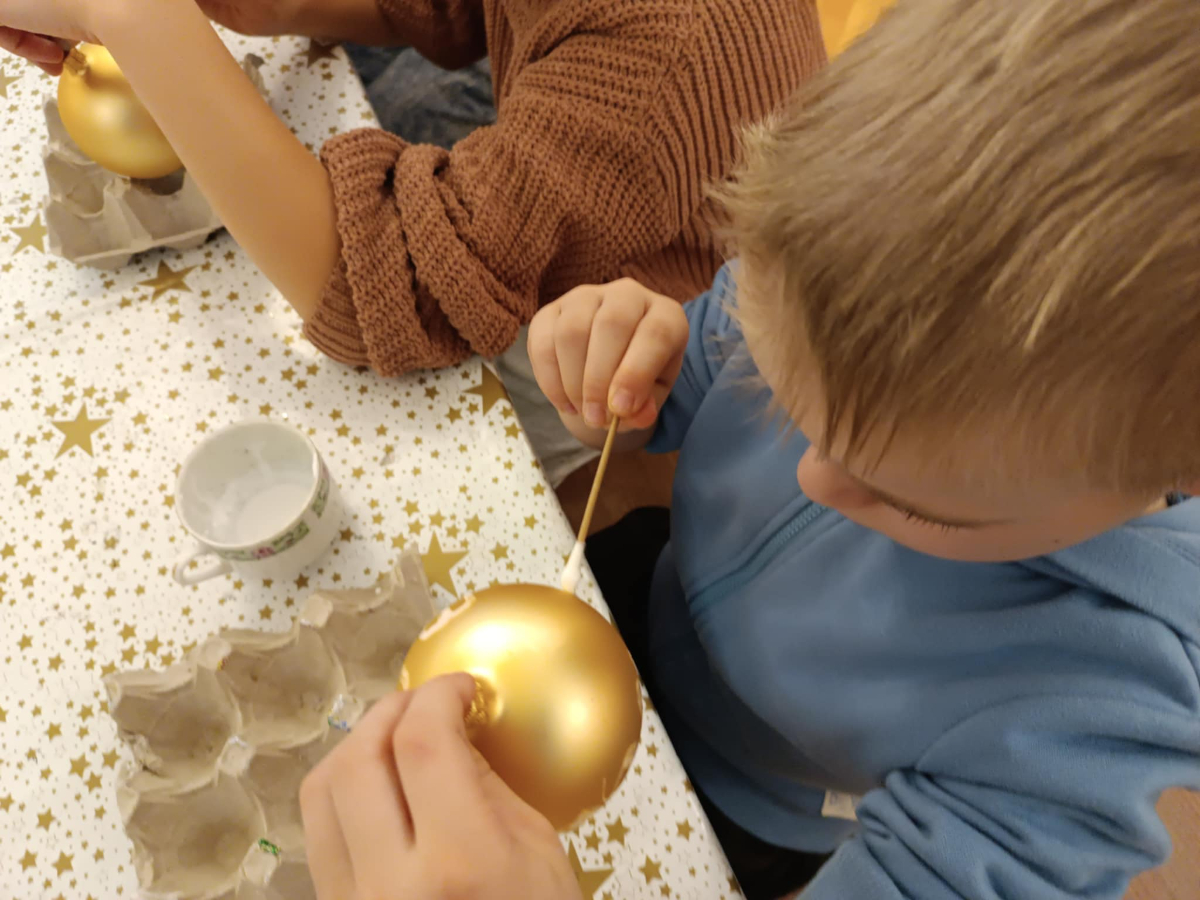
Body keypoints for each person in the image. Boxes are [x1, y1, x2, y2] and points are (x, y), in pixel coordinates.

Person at [524, 1, 1200, 898]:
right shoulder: (842, 267)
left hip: (747, 805)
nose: (810, 477)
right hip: (640, 602)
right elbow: (680, 385)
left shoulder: (1101, 706)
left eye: (916, 504)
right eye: (781, 391)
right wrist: (621, 373)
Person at [0, 0, 825, 485]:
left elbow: (384, 296)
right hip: (571, 201)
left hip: (624, 345)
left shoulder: (672, 53)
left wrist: (132, 19)